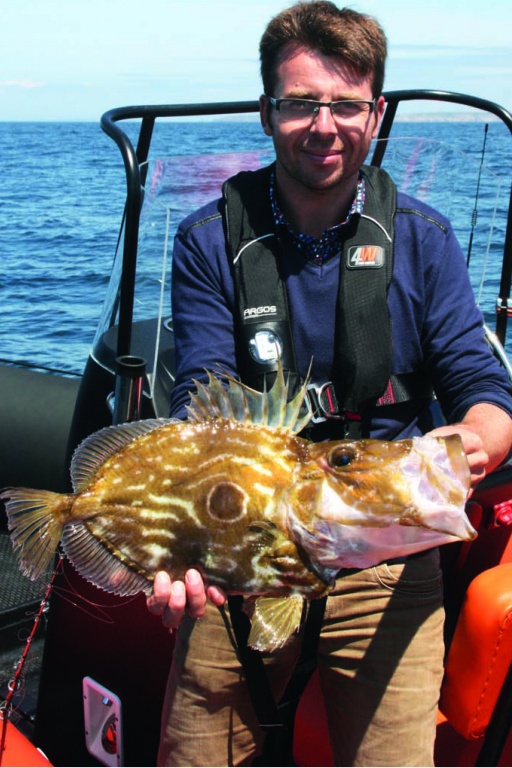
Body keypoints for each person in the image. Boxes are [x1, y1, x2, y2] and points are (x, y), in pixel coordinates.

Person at [147, 2, 512, 765]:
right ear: (266, 111)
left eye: (347, 104)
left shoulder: (423, 239)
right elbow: (201, 396)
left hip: (386, 556)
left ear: (375, 112)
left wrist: (469, 441)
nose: (325, 125)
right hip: (246, 546)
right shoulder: (208, 241)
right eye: (301, 103)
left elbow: (485, 388)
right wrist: (181, 544)